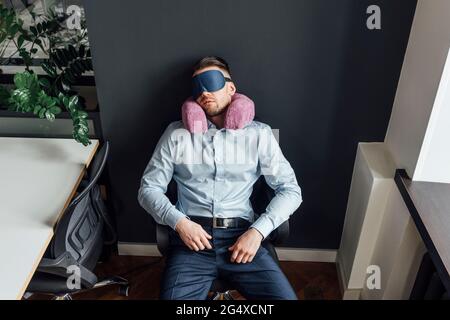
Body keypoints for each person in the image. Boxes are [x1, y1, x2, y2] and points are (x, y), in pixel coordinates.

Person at [138, 56, 302, 300]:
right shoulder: (175, 134)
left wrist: (258, 232)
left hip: (243, 237)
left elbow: (291, 190)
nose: (204, 92)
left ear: (231, 88)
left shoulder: (260, 134)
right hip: (192, 240)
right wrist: (180, 223)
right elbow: (148, 189)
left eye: (211, 82)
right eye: (197, 87)